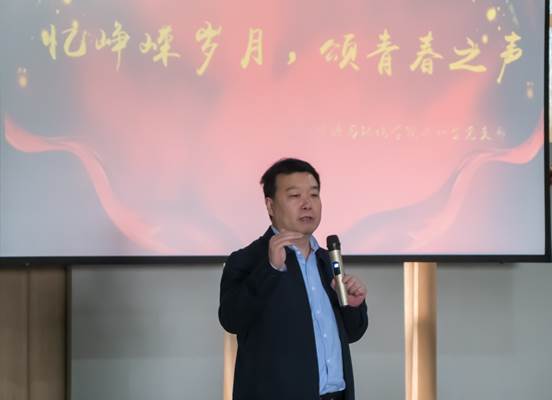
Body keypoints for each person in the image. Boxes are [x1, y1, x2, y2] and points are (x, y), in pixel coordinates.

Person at [218, 158, 368, 400]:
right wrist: (270, 270)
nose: (307, 204)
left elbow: (352, 333)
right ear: (270, 205)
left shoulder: (327, 261)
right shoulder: (247, 260)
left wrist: (353, 306)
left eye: (314, 195)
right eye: (295, 196)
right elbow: (231, 320)